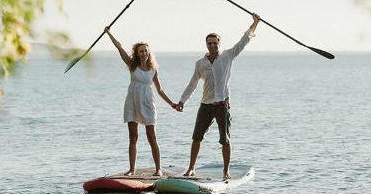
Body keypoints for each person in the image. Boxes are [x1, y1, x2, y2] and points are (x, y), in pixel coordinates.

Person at [177, 14, 260, 180]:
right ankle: (191, 168)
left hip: (222, 104)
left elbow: (244, 40)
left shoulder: (228, 55)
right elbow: (192, 84)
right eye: (209, 43)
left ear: (219, 44)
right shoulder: (200, 63)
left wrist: (255, 23)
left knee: (225, 139)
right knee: (196, 137)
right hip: (206, 104)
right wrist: (181, 102)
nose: (212, 45)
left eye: (215, 43)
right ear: (206, 45)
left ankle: (226, 171)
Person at [105, 27, 181, 176]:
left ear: (149, 52)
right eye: (141, 51)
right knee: (133, 137)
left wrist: (172, 104)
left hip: (147, 103)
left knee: (151, 136)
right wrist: (109, 33)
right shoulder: (132, 65)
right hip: (132, 102)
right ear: (137, 53)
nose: (144, 53)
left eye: (146, 50)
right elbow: (119, 47)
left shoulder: (153, 69)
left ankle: (158, 169)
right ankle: (132, 170)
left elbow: (159, 90)